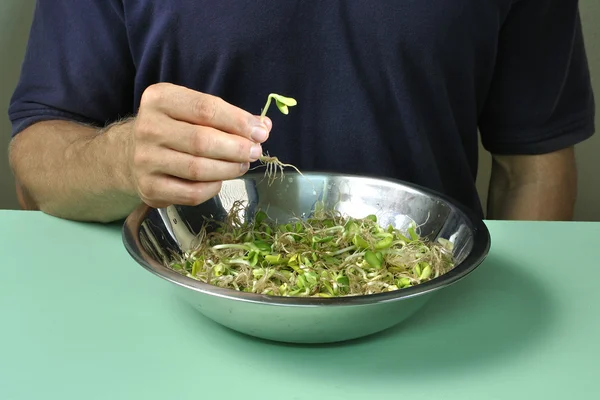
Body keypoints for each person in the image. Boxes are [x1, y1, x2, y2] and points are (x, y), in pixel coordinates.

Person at [7, 0, 595, 223]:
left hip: (425, 305)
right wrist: (116, 161)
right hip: (180, 308)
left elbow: (533, 166)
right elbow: (38, 168)